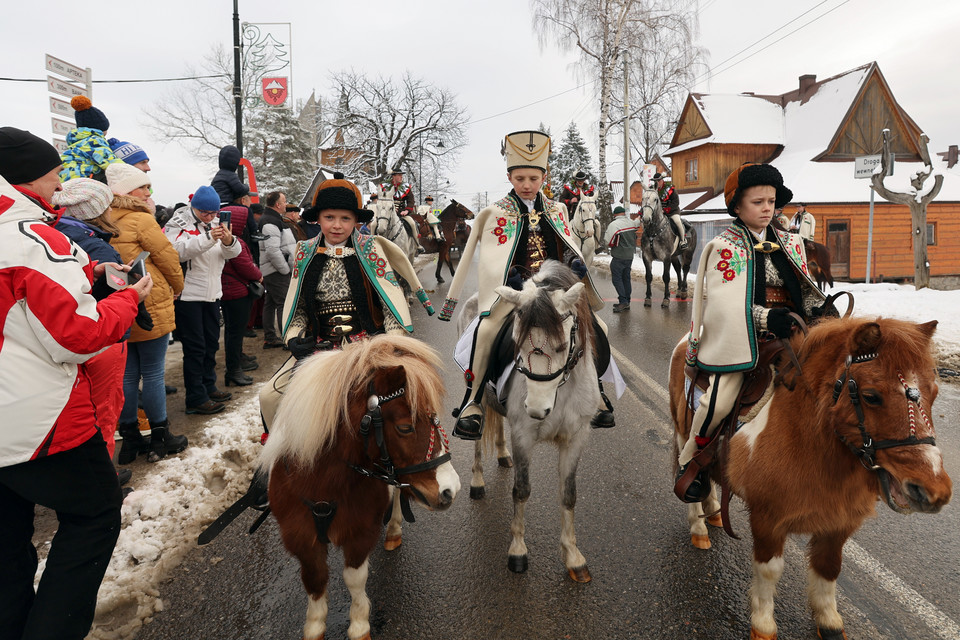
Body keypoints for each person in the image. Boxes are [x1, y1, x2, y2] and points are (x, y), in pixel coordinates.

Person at [0, 128, 149, 640]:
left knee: (7, 546)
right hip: (36, 421)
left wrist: (87, 275)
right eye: (54, 172)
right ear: (28, 177)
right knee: (94, 516)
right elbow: (79, 335)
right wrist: (128, 299)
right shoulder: (28, 237)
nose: (60, 181)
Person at [439, 130, 616, 440]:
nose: (527, 184)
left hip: (553, 291)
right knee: (487, 330)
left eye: (533, 178)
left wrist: (574, 264)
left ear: (543, 177)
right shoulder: (495, 214)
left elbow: (566, 245)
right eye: (520, 177)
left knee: (595, 324)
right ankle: (473, 401)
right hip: (515, 291)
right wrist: (507, 277)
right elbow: (490, 257)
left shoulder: (557, 210)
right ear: (509, 177)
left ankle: (597, 392)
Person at [675, 163, 826, 503]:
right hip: (745, 339)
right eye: (758, 202)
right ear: (738, 207)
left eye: (772, 201)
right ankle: (692, 459)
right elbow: (724, 306)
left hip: (793, 332)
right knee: (722, 397)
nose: (767, 208)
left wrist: (818, 310)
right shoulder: (725, 247)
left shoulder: (791, 242)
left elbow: (802, 288)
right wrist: (765, 319)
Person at [256, 171, 434, 458]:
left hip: (367, 348)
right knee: (269, 396)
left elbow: (391, 305)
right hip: (319, 348)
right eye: (330, 217)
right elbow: (297, 308)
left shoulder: (371, 250)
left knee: (406, 406)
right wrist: (293, 338)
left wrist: (388, 343)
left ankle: (401, 485)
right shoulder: (304, 252)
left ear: (356, 221)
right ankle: (281, 462)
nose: (337, 226)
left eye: (345, 219)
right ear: (318, 219)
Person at [52, 178, 138, 484]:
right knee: (105, 409)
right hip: (103, 336)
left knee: (80, 409)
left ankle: (86, 474)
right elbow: (115, 296)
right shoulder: (95, 244)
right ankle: (104, 479)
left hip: (70, 337)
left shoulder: (55, 234)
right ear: (99, 210)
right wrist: (134, 290)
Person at [106, 163, 188, 462]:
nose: (148, 191)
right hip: (149, 301)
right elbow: (167, 257)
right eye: (143, 187)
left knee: (127, 376)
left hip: (119, 303)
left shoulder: (104, 217)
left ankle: (129, 440)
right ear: (129, 191)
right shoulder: (141, 219)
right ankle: (159, 436)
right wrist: (177, 286)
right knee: (153, 373)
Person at [164, 185, 241, 414]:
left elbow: (232, 254)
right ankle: (195, 397)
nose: (210, 217)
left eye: (214, 213)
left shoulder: (216, 223)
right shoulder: (178, 223)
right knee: (195, 348)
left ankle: (209, 386)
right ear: (194, 207)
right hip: (188, 295)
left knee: (211, 344)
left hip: (213, 294)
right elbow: (175, 252)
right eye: (205, 213)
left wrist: (228, 241)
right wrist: (209, 238)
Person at [259, 191, 297, 349]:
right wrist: (284, 269)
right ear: (277, 205)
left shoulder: (273, 219)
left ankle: (270, 337)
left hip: (272, 269)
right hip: (275, 270)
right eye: (284, 201)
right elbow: (272, 250)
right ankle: (287, 338)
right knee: (283, 303)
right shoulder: (270, 222)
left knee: (270, 303)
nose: (286, 204)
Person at [59, 96, 123, 183]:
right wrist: (132, 172)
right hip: (83, 183)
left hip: (66, 182)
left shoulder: (76, 143)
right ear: (100, 128)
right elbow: (110, 162)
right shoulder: (94, 141)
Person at [604, 205, 638, 312]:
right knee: (626, 278)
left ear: (615, 214)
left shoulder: (614, 225)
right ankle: (627, 300)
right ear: (623, 214)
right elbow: (637, 223)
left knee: (617, 279)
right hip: (629, 256)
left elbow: (608, 241)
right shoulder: (631, 223)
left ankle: (623, 302)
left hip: (618, 256)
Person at [383, 168, 422, 253]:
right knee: (375, 224)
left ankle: (417, 245)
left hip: (402, 213)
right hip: (388, 212)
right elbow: (383, 200)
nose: (401, 177)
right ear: (394, 176)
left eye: (401, 175)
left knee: (412, 223)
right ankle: (373, 244)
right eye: (399, 175)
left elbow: (411, 201)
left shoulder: (405, 187)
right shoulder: (386, 187)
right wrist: (391, 208)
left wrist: (407, 211)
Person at [654, 172, 687, 250]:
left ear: (662, 180)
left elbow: (676, 202)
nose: (657, 183)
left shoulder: (670, 189)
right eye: (655, 181)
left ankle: (683, 240)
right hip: (659, 213)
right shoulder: (654, 190)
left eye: (658, 181)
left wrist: (666, 209)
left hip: (672, 212)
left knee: (677, 222)